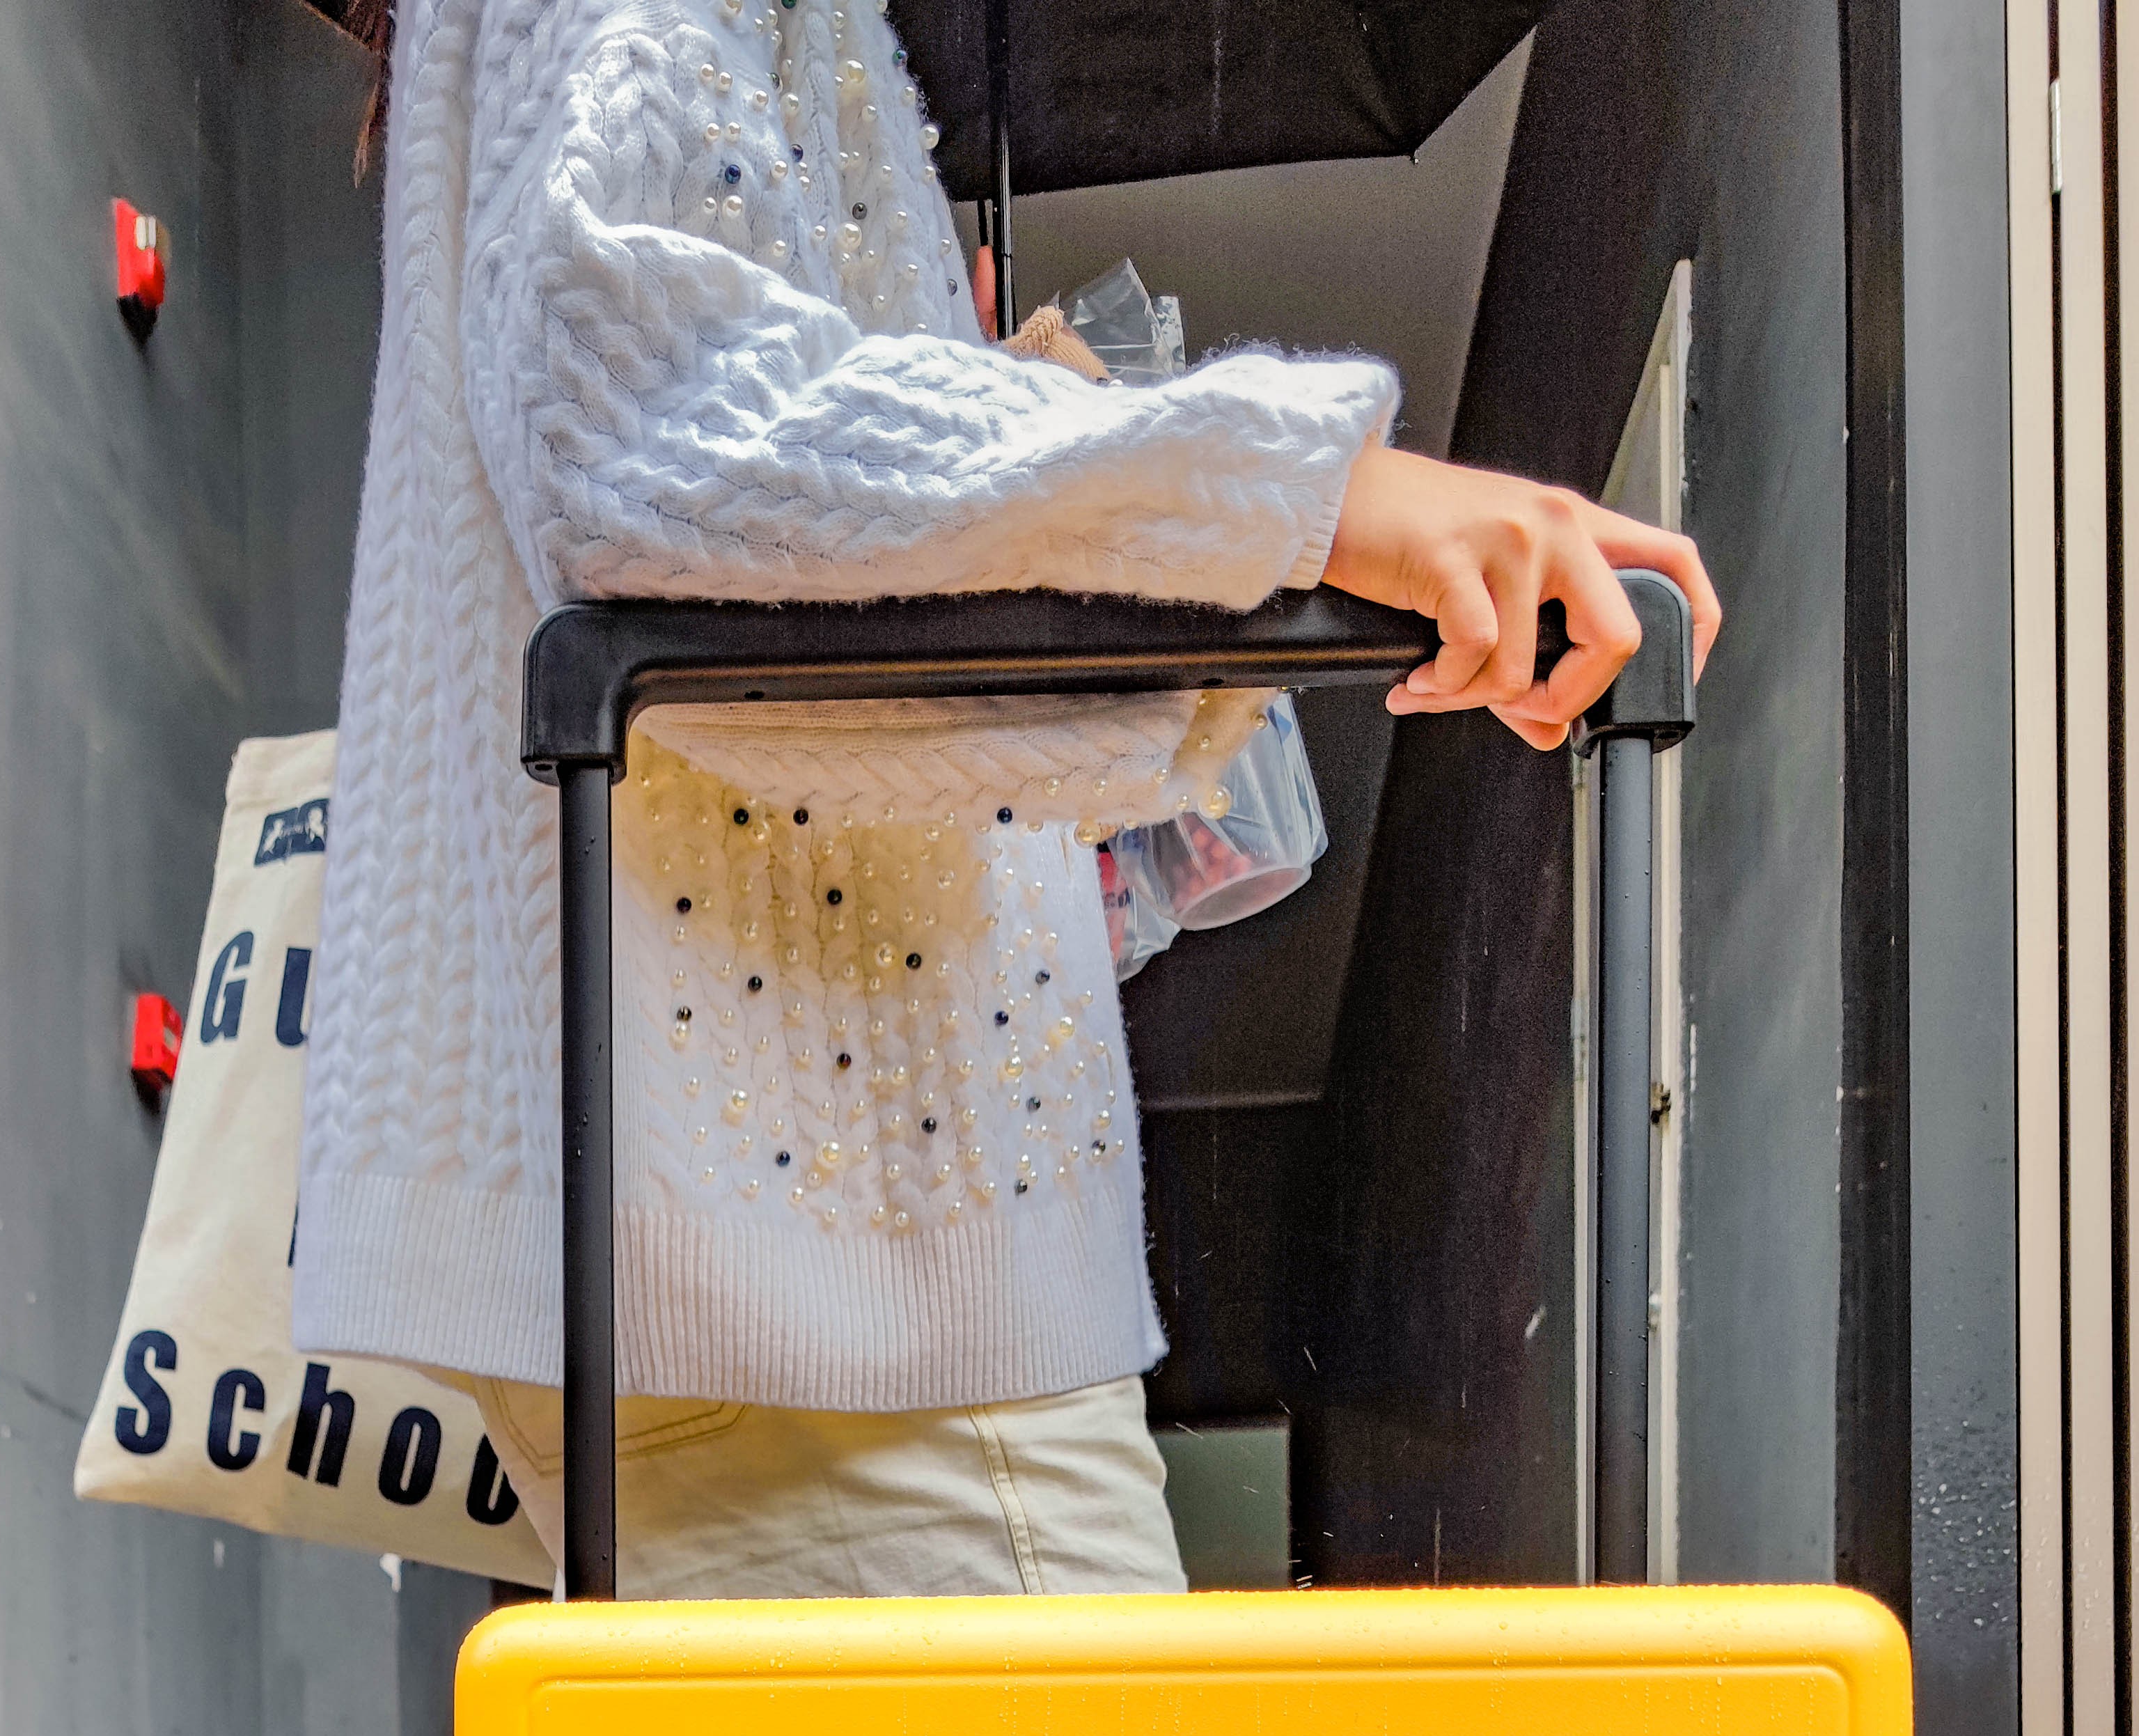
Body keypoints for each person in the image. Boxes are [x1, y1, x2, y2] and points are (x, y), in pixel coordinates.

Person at [292, 0, 1720, 1599]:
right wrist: (1293, 493)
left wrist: (1016, 449)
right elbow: (647, 424)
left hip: (798, 1248)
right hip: (846, 1286)